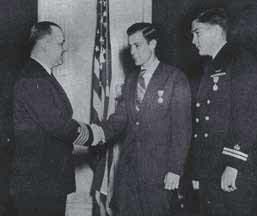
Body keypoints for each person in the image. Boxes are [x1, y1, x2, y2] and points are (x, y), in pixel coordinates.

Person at [90, 22, 192, 216]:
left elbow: (182, 129)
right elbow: (120, 119)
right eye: (130, 47)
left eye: (137, 45)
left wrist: (175, 169)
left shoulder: (174, 78)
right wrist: (96, 132)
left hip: (159, 174)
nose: (132, 52)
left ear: (152, 44)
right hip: (129, 173)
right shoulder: (131, 80)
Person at [11, 21, 92, 216]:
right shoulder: (33, 78)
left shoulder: (42, 76)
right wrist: (94, 134)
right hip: (39, 184)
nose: (64, 49)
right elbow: (58, 124)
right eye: (60, 43)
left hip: (48, 180)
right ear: (45, 44)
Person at [190, 8, 257, 216]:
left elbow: (247, 115)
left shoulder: (240, 61)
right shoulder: (210, 66)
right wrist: (198, 170)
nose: (193, 40)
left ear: (218, 31)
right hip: (211, 167)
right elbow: (202, 125)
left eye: (197, 32)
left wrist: (233, 164)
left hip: (232, 166)